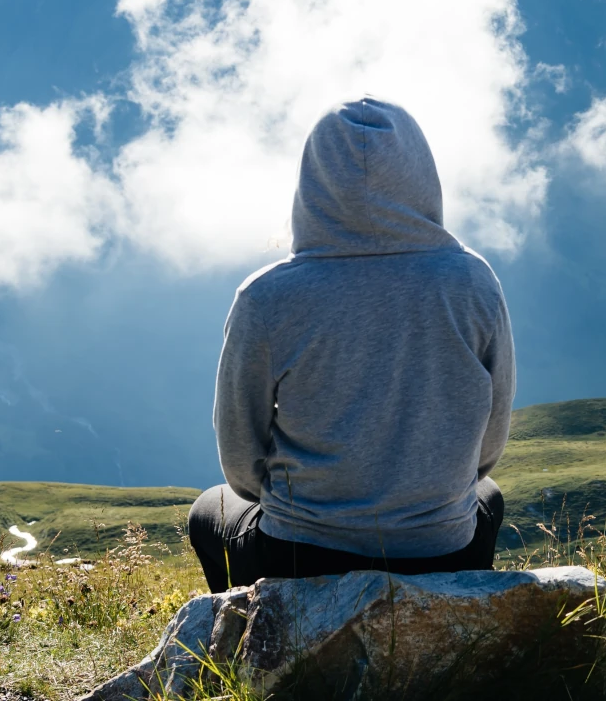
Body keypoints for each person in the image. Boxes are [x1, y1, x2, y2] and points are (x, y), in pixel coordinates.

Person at [187, 98, 515, 593]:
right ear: (420, 175)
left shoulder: (267, 297)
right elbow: (489, 441)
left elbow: (239, 457)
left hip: (299, 555)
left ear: (312, 183)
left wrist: (300, 505)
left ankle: (257, 642)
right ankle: (451, 614)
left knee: (206, 512)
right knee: (487, 497)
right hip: (441, 548)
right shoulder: (473, 282)